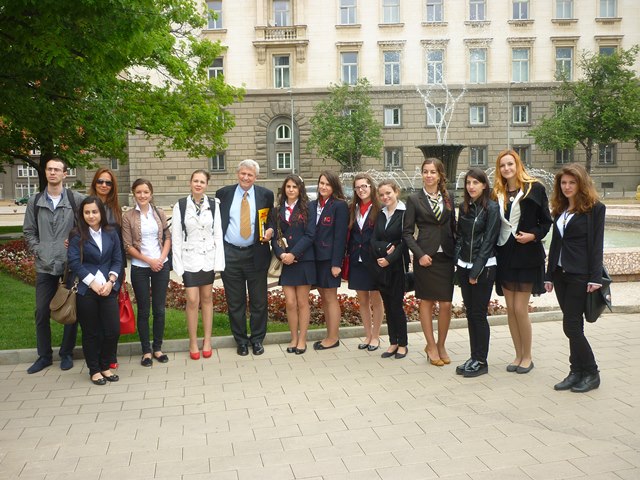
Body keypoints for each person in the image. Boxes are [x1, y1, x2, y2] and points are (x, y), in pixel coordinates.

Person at [545, 163, 605, 393]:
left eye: (572, 182)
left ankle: (592, 372)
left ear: (581, 184)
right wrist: (549, 275)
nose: (567, 186)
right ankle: (576, 372)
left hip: (581, 274)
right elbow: (555, 244)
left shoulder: (595, 209)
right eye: (563, 183)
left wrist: (595, 277)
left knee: (571, 326)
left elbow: (597, 245)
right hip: (560, 275)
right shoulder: (560, 208)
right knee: (574, 324)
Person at [23, 157, 85, 374]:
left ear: (64, 174)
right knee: (41, 311)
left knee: (70, 309)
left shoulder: (76, 199)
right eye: (49, 169)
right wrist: (39, 250)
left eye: (57, 170)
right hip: (45, 265)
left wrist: (76, 243)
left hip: (70, 265)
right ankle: (44, 356)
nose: (52, 173)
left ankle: (66, 353)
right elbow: (29, 231)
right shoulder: (35, 201)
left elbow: (88, 227)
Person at [493, 149, 552, 374]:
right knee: (510, 309)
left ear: (518, 165)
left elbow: (546, 222)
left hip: (527, 255)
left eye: (510, 164)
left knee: (520, 309)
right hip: (505, 254)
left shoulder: (534, 188)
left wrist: (533, 235)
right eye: (502, 165)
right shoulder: (497, 192)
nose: (506, 168)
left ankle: (528, 356)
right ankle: (517, 355)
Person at [217, 159, 274, 356]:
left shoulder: (265, 195)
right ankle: (241, 341)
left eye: (250, 175)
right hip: (230, 254)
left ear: (255, 177)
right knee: (235, 302)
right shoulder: (223, 194)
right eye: (243, 173)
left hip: (255, 254)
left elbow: (271, 220)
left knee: (259, 301)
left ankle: (257, 340)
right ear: (237, 174)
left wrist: (271, 230)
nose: (246, 177)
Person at [403, 157, 456, 367]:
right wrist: (419, 254)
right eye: (425, 171)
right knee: (426, 302)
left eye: (433, 172)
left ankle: (441, 344)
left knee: (446, 304)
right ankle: (431, 345)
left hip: (446, 257)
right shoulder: (414, 199)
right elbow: (407, 233)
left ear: (440, 175)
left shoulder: (449, 197)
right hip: (425, 257)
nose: (429, 175)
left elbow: (453, 226)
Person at [68, 196, 122, 385]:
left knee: (113, 330)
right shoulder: (76, 234)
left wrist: (111, 281)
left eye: (94, 212)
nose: (91, 216)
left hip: (108, 288)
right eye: (87, 212)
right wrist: (92, 283)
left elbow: (117, 259)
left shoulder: (111, 232)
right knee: (91, 332)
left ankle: (105, 366)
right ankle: (94, 370)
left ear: (101, 213)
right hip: (86, 290)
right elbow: (74, 262)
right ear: (82, 215)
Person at [171, 170, 224, 360]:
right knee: (192, 300)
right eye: (195, 181)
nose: (198, 184)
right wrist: (178, 265)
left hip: (208, 257)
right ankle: (193, 341)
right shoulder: (181, 205)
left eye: (202, 182)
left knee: (207, 298)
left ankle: (207, 340)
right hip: (190, 259)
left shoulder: (214, 205)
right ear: (190, 183)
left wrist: (218, 262)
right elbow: (177, 237)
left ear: (207, 185)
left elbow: (218, 234)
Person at [454, 168, 500, 377]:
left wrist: (476, 270)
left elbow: (489, 241)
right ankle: (474, 357)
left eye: (475, 182)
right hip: (464, 266)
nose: (471, 186)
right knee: (471, 313)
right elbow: (460, 237)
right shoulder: (464, 207)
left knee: (479, 315)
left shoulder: (492, 208)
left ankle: (481, 361)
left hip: (484, 268)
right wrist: (458, 262)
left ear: (484, 185)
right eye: (468, 182)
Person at [121, 179, 171, 366]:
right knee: (143, 310)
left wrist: (161, 259)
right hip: (140, 267)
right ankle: (146, 351)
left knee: (159, 309)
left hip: (161, 266)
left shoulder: (159, 212)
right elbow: (127, 245)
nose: (142, 195)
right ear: (134, 194)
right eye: (139, 192)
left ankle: (157, 348)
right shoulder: (128, 217)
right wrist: (149, 261)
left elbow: (167, 237)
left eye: (146, 192)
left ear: (151, 193)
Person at [272, 175, 316, 355]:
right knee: (290, 302)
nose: (291, 189)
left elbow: (310, 235)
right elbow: (274, 236)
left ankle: (302, 339)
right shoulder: (277, 210)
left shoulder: (308, 208)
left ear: (300, 189)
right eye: (288, 186)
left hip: (303, 260)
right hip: (286, 262)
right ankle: (293, 338)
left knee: (302, 302)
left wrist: (293, 254)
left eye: (294, 187)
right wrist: (282, 254)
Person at [89, 167, 124, 369]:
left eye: (108, 182)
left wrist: (119, 272)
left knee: (111, 317)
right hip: (92, 268)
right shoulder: (87, 206)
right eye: (100, 181)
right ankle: (97, 358)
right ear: (94, 183)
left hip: (113, 267)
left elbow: (119, 240)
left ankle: (110, 356)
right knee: (96, 318)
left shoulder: (115, 208)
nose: (104, 185)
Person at [310, 170, 349, 350]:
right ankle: (329, 334)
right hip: (314, 258)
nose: (323, 187)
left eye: (327, 184)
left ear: (334, 186)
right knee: (323, 297)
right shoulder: (312, 205)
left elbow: (340, 237)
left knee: (330, 297)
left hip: (329, 259)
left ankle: (333, 338)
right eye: (321, 183)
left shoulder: (339, 206)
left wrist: (336, 264)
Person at [346, 173, 384, 351]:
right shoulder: (352, 209)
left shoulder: (380, 208)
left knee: (376, 299)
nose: (361, 190)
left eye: (364, 186)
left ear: (371, 187)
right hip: (357, 259)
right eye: (357, 187)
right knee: (362, 300)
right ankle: (367, 335)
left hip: (374, 260)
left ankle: (376, 336)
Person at [371, 180, 408, 359]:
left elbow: (404, 241)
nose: (385, 197)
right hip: (382, 267)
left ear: (396, 192)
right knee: (387, 305)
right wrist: (385, 249)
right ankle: (393, 342)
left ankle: (403, 344)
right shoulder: (381, 213)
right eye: (382, 194)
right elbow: (374, 239)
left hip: (397, 266)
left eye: (388, 193)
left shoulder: (404, 213)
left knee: (396, 306)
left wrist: (389, 259)